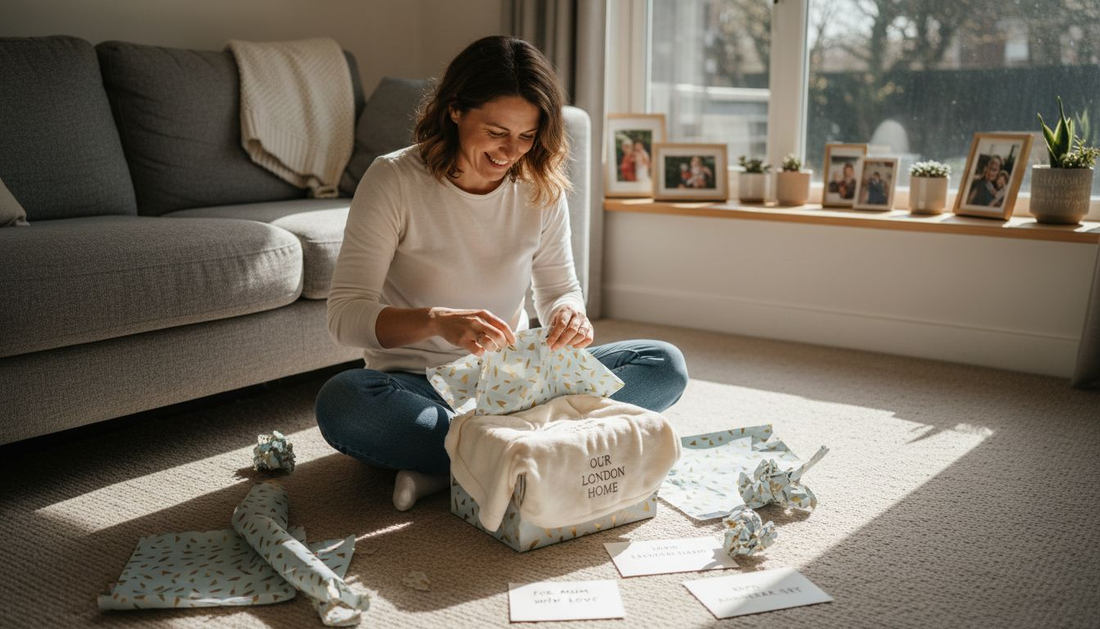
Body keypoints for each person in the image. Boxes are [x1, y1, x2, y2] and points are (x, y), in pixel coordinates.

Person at [315, 36, 689, 512]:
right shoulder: (393, 179)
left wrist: (569, 314)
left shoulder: (539, 188)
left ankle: (466, 463)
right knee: (345, 402)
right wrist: (435, 321)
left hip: (517, 383)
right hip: (419, 385)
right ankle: (542, 453)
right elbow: (345, 315)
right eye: (496, 131)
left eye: (527, 136)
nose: (510, 151)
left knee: (663, 364)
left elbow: (559, 289)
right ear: (455, 110)